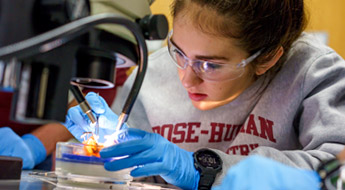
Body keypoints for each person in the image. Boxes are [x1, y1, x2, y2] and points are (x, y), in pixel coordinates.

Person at [64, 0, 345, 189]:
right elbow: (130, 177)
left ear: (267, 59)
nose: (186, 78)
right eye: (178, 52)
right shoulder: (152, 74)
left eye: (210, 65)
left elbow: (334, 171)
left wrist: (202, 169)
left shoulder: (313, 72)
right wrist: (105, 148)